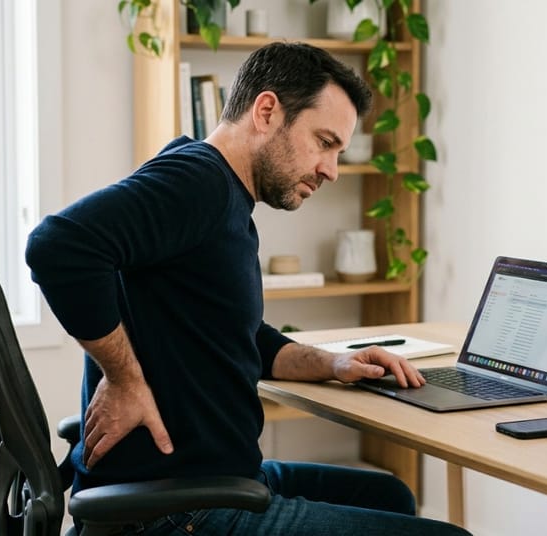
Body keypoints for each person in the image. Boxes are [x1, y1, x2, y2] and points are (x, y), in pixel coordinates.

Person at [26, 42, 471, 536]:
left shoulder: (215, 187)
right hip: (179, 509)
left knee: (391, 496)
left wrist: (334, 363)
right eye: (324, 142)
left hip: (211, 481)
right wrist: (125, 380)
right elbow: (57, 244)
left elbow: (232, 333)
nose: (332, 170)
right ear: (266, 112)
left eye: (339, 151)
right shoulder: (198, 185)